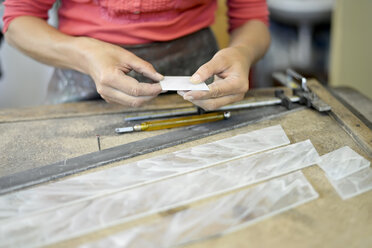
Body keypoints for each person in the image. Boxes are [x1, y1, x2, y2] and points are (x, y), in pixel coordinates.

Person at [2, 0, 270, 110]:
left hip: (197, 82)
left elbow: (252, 20)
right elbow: (18, 22)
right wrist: (86, 55)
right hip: (82, 79)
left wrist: (243, 53)